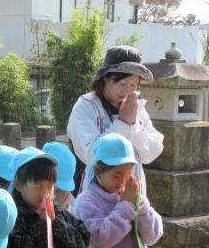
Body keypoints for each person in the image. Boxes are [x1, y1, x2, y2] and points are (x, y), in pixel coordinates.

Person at [67, 45, 164, 195]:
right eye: (122, 84)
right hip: (93, 196)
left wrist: (133, 126)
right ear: (105, 77)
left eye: (133, 85)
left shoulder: (135, 107)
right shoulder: (85, 106)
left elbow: (151, 152)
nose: (127, 91)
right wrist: (122, 123)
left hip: (130, 192)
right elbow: (90, 155)